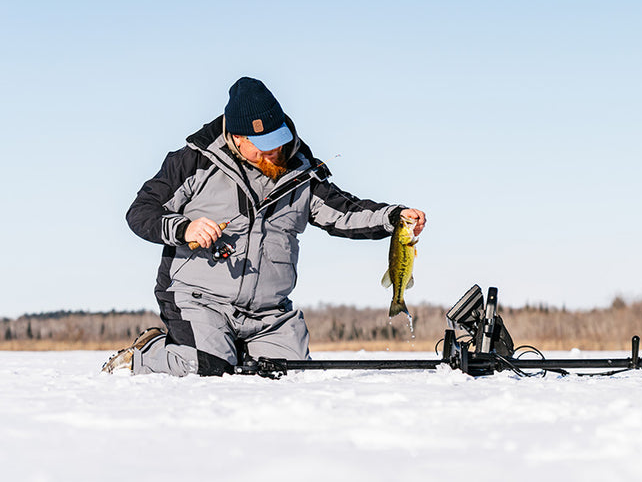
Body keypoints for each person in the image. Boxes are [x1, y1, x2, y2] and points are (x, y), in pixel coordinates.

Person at [102, 77, 426, 376]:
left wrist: (393, 217)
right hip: (200, 300)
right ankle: (148, 352)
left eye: (278, 141)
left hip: (270, 314)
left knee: (292, 375)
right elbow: (140, 212)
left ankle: (238, 350)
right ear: (236, 137)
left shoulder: (302, 173)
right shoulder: (191, 162)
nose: (273, 152)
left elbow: (343, 212)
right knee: (209, 368)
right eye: (262, 145)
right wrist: (183, 229)